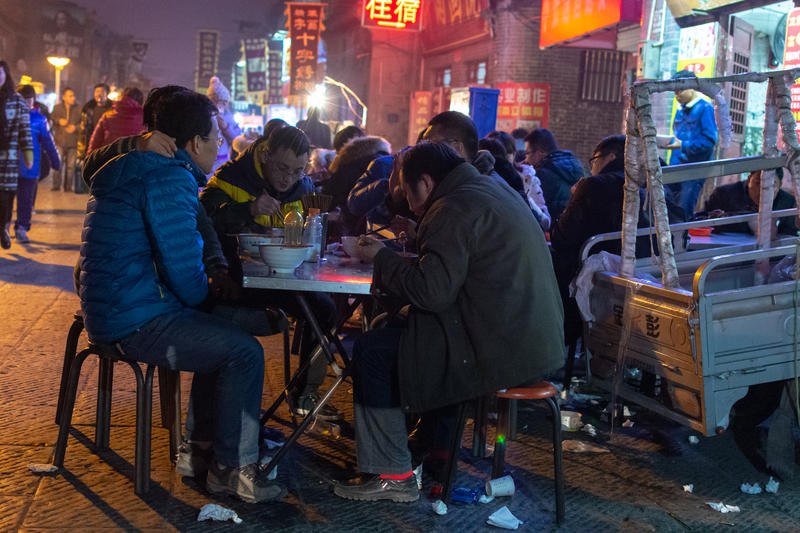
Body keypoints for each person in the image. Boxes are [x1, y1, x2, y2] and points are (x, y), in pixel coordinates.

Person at [79, 87, 285, 503]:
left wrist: (214, 278)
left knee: (227, 329)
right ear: (195, 143)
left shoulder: (139, 165)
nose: (221, 148)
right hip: (133, 316)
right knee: (242, 350)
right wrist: (211, 289)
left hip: (117, 305)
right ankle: (233, 469)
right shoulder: (167, 177)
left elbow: (194, 239)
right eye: (216, 140)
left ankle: (201, 449)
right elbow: (186, 280)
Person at [333, 142, 564, 502]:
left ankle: (393, 473)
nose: (409, 202)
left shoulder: (452, 206)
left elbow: (432, 292)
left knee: (372, 350)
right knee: (394, 330)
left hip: (501, 351)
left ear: (424, 182)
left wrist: (382, 257)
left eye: (407, 191)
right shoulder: (488, 187)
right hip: (533, 342)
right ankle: (426, 448)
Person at [200, 127, 343, 421]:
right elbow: (204, 218)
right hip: (232, 278)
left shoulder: (303, 188)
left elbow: (312, 229)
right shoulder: (231, 177)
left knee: (324, 309)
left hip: (282, 274)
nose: (287, 178)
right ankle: (225, 413)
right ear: (265, 154)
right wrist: (249, 209)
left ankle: (305, 393)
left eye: (297, 170)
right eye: (281, 168)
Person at [549, 135, 685, 347]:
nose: (592, 166)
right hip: (649, 282)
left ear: (610, 157)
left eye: (594, 160)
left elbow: (561, 238)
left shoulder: (591, 185)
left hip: (599, 288)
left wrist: (571, 200)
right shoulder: (655, 187)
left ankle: (560, 344)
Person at [664, 69, 718, 216]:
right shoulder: (680, 110)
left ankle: (682, 238)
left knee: (684, 210)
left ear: (692, 87)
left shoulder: (705, 108)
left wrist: (683, 145)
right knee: (667, 207)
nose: (677, 95)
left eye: (679, 90)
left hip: (694, 170)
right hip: (675, 167)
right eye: (674, 91)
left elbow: (709, 141)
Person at [14, 84, 60, 243]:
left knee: (26, 200)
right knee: (6, 199)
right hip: (10, 166)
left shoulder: (39, 119)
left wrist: (55, 160)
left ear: (33, 99)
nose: (26, 102)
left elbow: (48, 142)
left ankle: (21, 227)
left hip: (30, 167)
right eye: (23, 98)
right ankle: (6, 226)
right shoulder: (9, 116)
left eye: (29, 98)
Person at [321, 135, 391, 236]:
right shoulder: (388, 164)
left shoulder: (347, 165)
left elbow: (326, 200)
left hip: (351, 226)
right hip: (382, 229)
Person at [698, 169, 797, 237]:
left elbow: (790, 234)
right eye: (758, 183)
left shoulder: (787, 202)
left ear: (780, 186)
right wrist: (712, 221)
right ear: (749, 179)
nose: (763, 190)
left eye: (772, 185)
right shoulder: (724, 194)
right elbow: (696, 222)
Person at [0, 61, 33, 249]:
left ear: (6, 76)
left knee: (6, 196)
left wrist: (28, 155)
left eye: (0, 74)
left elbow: (24, 129)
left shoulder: (16, 100)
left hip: (8, 158)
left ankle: (3, 228)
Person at [524, 127, 584, 222]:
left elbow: (535, 210)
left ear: (539, 152)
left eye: (527, 153)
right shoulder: (576, 165)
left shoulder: (542, 174)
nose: (525, 159)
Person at [88, 87, 145, 152]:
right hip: (135, 160)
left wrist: (89, 159)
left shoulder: (107, 116)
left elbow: (95, 143)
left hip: (110, 159)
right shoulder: (145, 119)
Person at [206, 76, 241, 175]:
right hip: (208, 161)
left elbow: (236, 139)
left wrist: (225, 128)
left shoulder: (230, 118)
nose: (224, 105)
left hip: (224, 159)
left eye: (225, 102)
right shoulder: (205, 116)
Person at [50, 87, 80, 192]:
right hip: (59, 141)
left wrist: (75, 127)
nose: (73, 98)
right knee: (57, 164)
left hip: (73, 142)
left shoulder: (78, 108)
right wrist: (58, 121)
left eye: (73, 95)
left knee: (70, 167)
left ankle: (68, 187)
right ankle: (56, 186)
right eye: (70, 95)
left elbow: (83, 124)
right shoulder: (57, 108)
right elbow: (51, 120)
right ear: (64, 97)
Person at [77, 83, 112, 161]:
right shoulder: (88, 108)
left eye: (102, 92)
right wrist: (81, 152)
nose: (99, 94)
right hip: (92, 146)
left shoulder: (113, 109)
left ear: (107, 93)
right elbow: (83, 131)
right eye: (96, 92)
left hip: (108, 146)